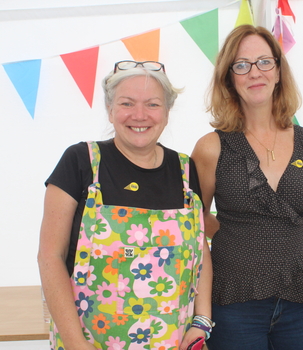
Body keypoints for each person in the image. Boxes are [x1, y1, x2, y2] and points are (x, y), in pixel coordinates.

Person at [38, 60, 213, 350]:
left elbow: (199, 249)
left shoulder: (184, 170)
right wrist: (76, 345)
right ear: (110, 110)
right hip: (89, 343)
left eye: (153, 104)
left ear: (167, 112)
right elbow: (49, 258)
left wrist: (201, 321)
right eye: (127, 103)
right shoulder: (81, 162)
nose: (139, 115)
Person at [191, 25, 303, 350]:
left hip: (298, 300)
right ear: (229, 77)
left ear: (278, 71)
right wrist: (242, 241)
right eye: (241, 64)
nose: (254, 72)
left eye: (264, 62)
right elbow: (192, 220)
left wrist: (290, 246)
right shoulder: (211, 148)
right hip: (233, 303)